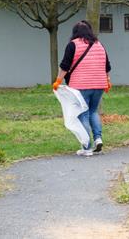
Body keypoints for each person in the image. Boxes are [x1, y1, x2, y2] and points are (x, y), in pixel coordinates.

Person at [53, 20, 111, 156]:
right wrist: (108, 81)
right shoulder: (99, 45)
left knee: (82, 114)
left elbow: (64, 66)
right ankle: (98, 139)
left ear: (75, 32)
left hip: (81, 85)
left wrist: (58, 81)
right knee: (93, 111)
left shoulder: (72, 45)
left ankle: (86, 147)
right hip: (99, 84)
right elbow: (106, 66)